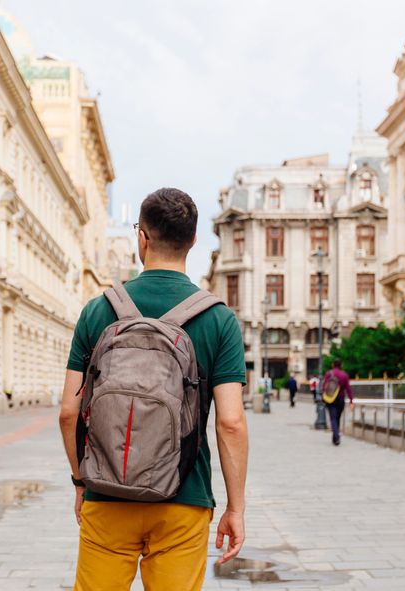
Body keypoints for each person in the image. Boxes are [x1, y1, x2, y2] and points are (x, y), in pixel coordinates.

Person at [59, 188, 249, 591]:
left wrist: (81, 482)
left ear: (141, 237)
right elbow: (230, 423)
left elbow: (68, 413)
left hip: (107, 495)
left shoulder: (97, 310)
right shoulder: (218, 318)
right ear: (193, 241)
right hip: (184, 496)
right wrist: (235, 506)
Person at [321, 359, 354, 445]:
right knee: (337, 418)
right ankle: (335, 437)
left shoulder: (329, 374)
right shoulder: (344, 375)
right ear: (341, 365)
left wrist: (323, 397)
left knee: (333, 418)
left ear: (333, 364)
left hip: (330, 399)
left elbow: (324, 386)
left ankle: (336, 436)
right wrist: (351, 400)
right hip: (340, 399)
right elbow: (348, 389)